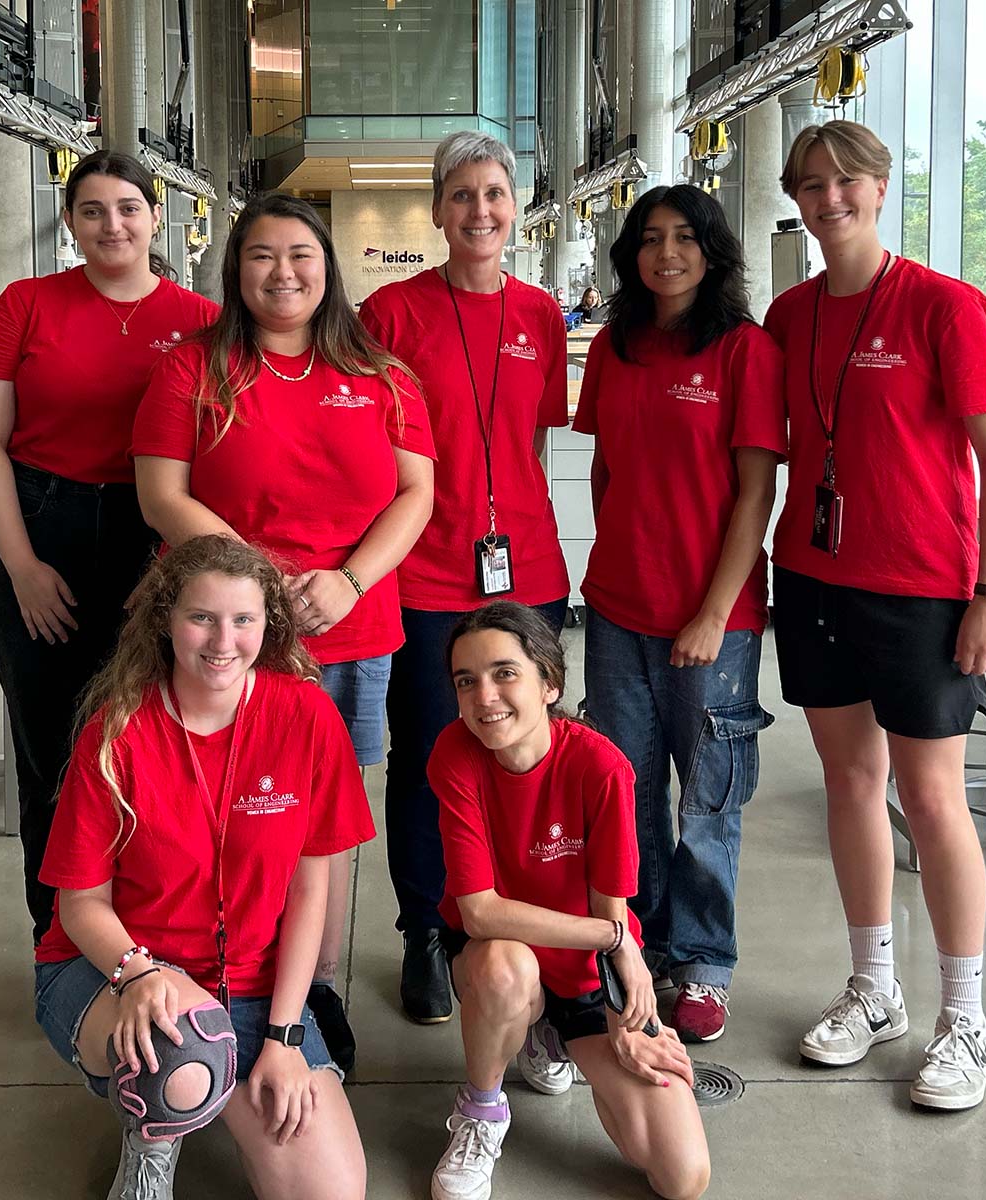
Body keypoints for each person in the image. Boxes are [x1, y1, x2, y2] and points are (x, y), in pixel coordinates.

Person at [133, 192, 435, 1073]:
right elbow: (161, 494)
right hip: (226, 640)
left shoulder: (381, 374)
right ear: (235, 271)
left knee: (324, 825)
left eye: (300, 254)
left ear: (327, 268)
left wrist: (351, 579)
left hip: (348, 628)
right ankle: (218, 977)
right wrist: (257, 593)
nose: (283, 272)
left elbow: (416, 491)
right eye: (261, 255)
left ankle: (316, 988)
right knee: (221, 804)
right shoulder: (194, 369)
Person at [765, 120, 986, 1110]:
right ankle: (875, 989)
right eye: (810, 184)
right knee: (850, 783)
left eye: (845, 181)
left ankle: (965, 1016)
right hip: (815, 579)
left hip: (923, 589)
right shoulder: (790, 315)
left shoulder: (944, 306)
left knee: (932, 798)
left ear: (879, 188)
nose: (827, 198)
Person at [33, 535, 370, 1199]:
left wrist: (283, 1037)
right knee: (183, 1053)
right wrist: (139, 973)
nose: (223, 641)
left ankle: (205, 1083)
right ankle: (156, 1133)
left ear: (267, 625)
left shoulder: (307, 715)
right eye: (201, 618)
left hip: (253, 983)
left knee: (330, 1192)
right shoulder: (117, 730)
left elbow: (310, 892)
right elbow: (81, 904)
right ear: (166, 620)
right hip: (117, 969)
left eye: (243, 619)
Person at [0, 151, 219, 944]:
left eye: (129, 208)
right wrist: (23, 567)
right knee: (52, 755)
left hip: (155, 537)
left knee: (152, 746)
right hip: (44, 527)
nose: (113, 224)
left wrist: (176, 568)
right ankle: (58, 947)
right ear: (70, 222)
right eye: (93, 210)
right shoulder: (26, 304)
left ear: (156, 217)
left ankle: (144, 937)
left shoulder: (200, 320)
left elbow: (215, 456)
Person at [360, 131, 570, 1025]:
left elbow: (532, 439)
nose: (480, 210)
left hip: (527, 573)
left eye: (494, 193)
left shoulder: (542, 315)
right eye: (462, 195)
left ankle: (511, 927)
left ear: (514, 207)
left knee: (523, 757)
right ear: (438, 210)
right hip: (424, 573)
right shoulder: (391, 313)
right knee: (427, 758)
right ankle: (426, 928)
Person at [575, 184, 785, 1044]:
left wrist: (713, 612)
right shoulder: (615, 346)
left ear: (712, 249)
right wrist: (616, 562)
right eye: (651, 238)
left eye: (685, 238)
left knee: (706, 800)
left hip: (712, 621)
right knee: (628, 793)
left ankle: (704, 963)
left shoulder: (744, 350)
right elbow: (607, 470)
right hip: (616, 610)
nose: (667, 254)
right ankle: (647, 944)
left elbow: (754, 493)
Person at [427, 602, 710, 1200]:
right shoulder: (454, 754)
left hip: (587, 968)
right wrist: (617, 942)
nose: (484, 697)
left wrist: (623, 1013)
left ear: (550, 683)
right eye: (466, 681)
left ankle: (549, 1036)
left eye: (505, 673)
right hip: (501, 955)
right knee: (505, 969)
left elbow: (611, 907)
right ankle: (481, 1110)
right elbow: (480, 911)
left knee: (681, 1175)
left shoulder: (600, 766)